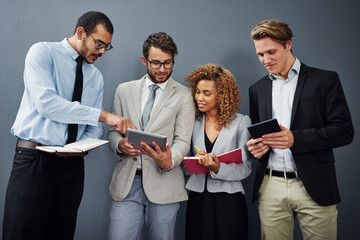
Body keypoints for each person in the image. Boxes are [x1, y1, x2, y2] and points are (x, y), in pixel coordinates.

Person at [2, 11, 135, 240]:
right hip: (34, 160)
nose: (102, 51)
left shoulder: (96, 77)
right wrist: (104, 116)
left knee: (62, 233)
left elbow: (93, 128)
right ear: (81, 32)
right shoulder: (42, 52)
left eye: (107, 47)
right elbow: (47, 105)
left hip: (72, 167)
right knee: (21, 232)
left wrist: (77, 148)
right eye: (99, 43)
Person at [247, 19, 354, 240]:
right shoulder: (257, 89)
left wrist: (295, 139)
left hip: (315, 185)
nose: (266, 60)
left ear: (288, 44)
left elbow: (344, 131)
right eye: (260, 54)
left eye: (271, 52)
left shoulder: (324, 80)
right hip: (270, 186)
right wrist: (255, 148)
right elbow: (260, 135)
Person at [107, 32, 195, 240]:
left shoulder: (184, 95)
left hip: (165, 183)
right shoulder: (123, 90)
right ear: (143, 60)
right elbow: (112, 132)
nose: (162, 69)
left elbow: (183, 140)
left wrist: (169, 160)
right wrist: (120, 144)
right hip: (127, 184)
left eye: (168, 63)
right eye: (155, 63)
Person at [184, 64, 252, 240]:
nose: (199, 97)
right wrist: (192, 161)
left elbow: (245, 168)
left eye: (207, 93)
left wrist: (217, 167)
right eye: (197, 91)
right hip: (198, 198)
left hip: (229, 201)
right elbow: (183, 166)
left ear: (222, 95)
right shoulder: (192, 122)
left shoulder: (241, 123)